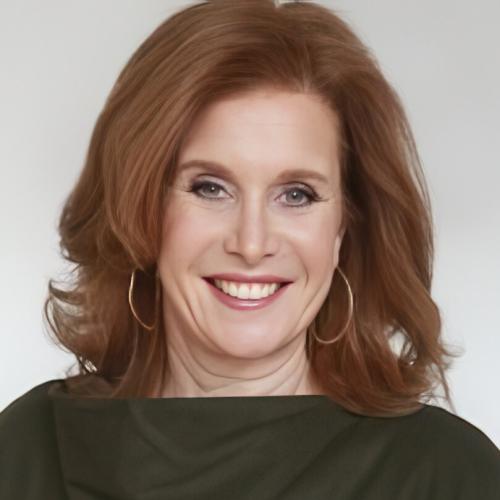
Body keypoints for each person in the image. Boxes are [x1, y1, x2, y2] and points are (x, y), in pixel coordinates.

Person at [1, 0, 499, 498]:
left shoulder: (448, 475)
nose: (252, 243)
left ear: (344, 228)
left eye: (297, 195)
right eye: (210, 188)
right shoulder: (27, 452)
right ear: (141, 207)